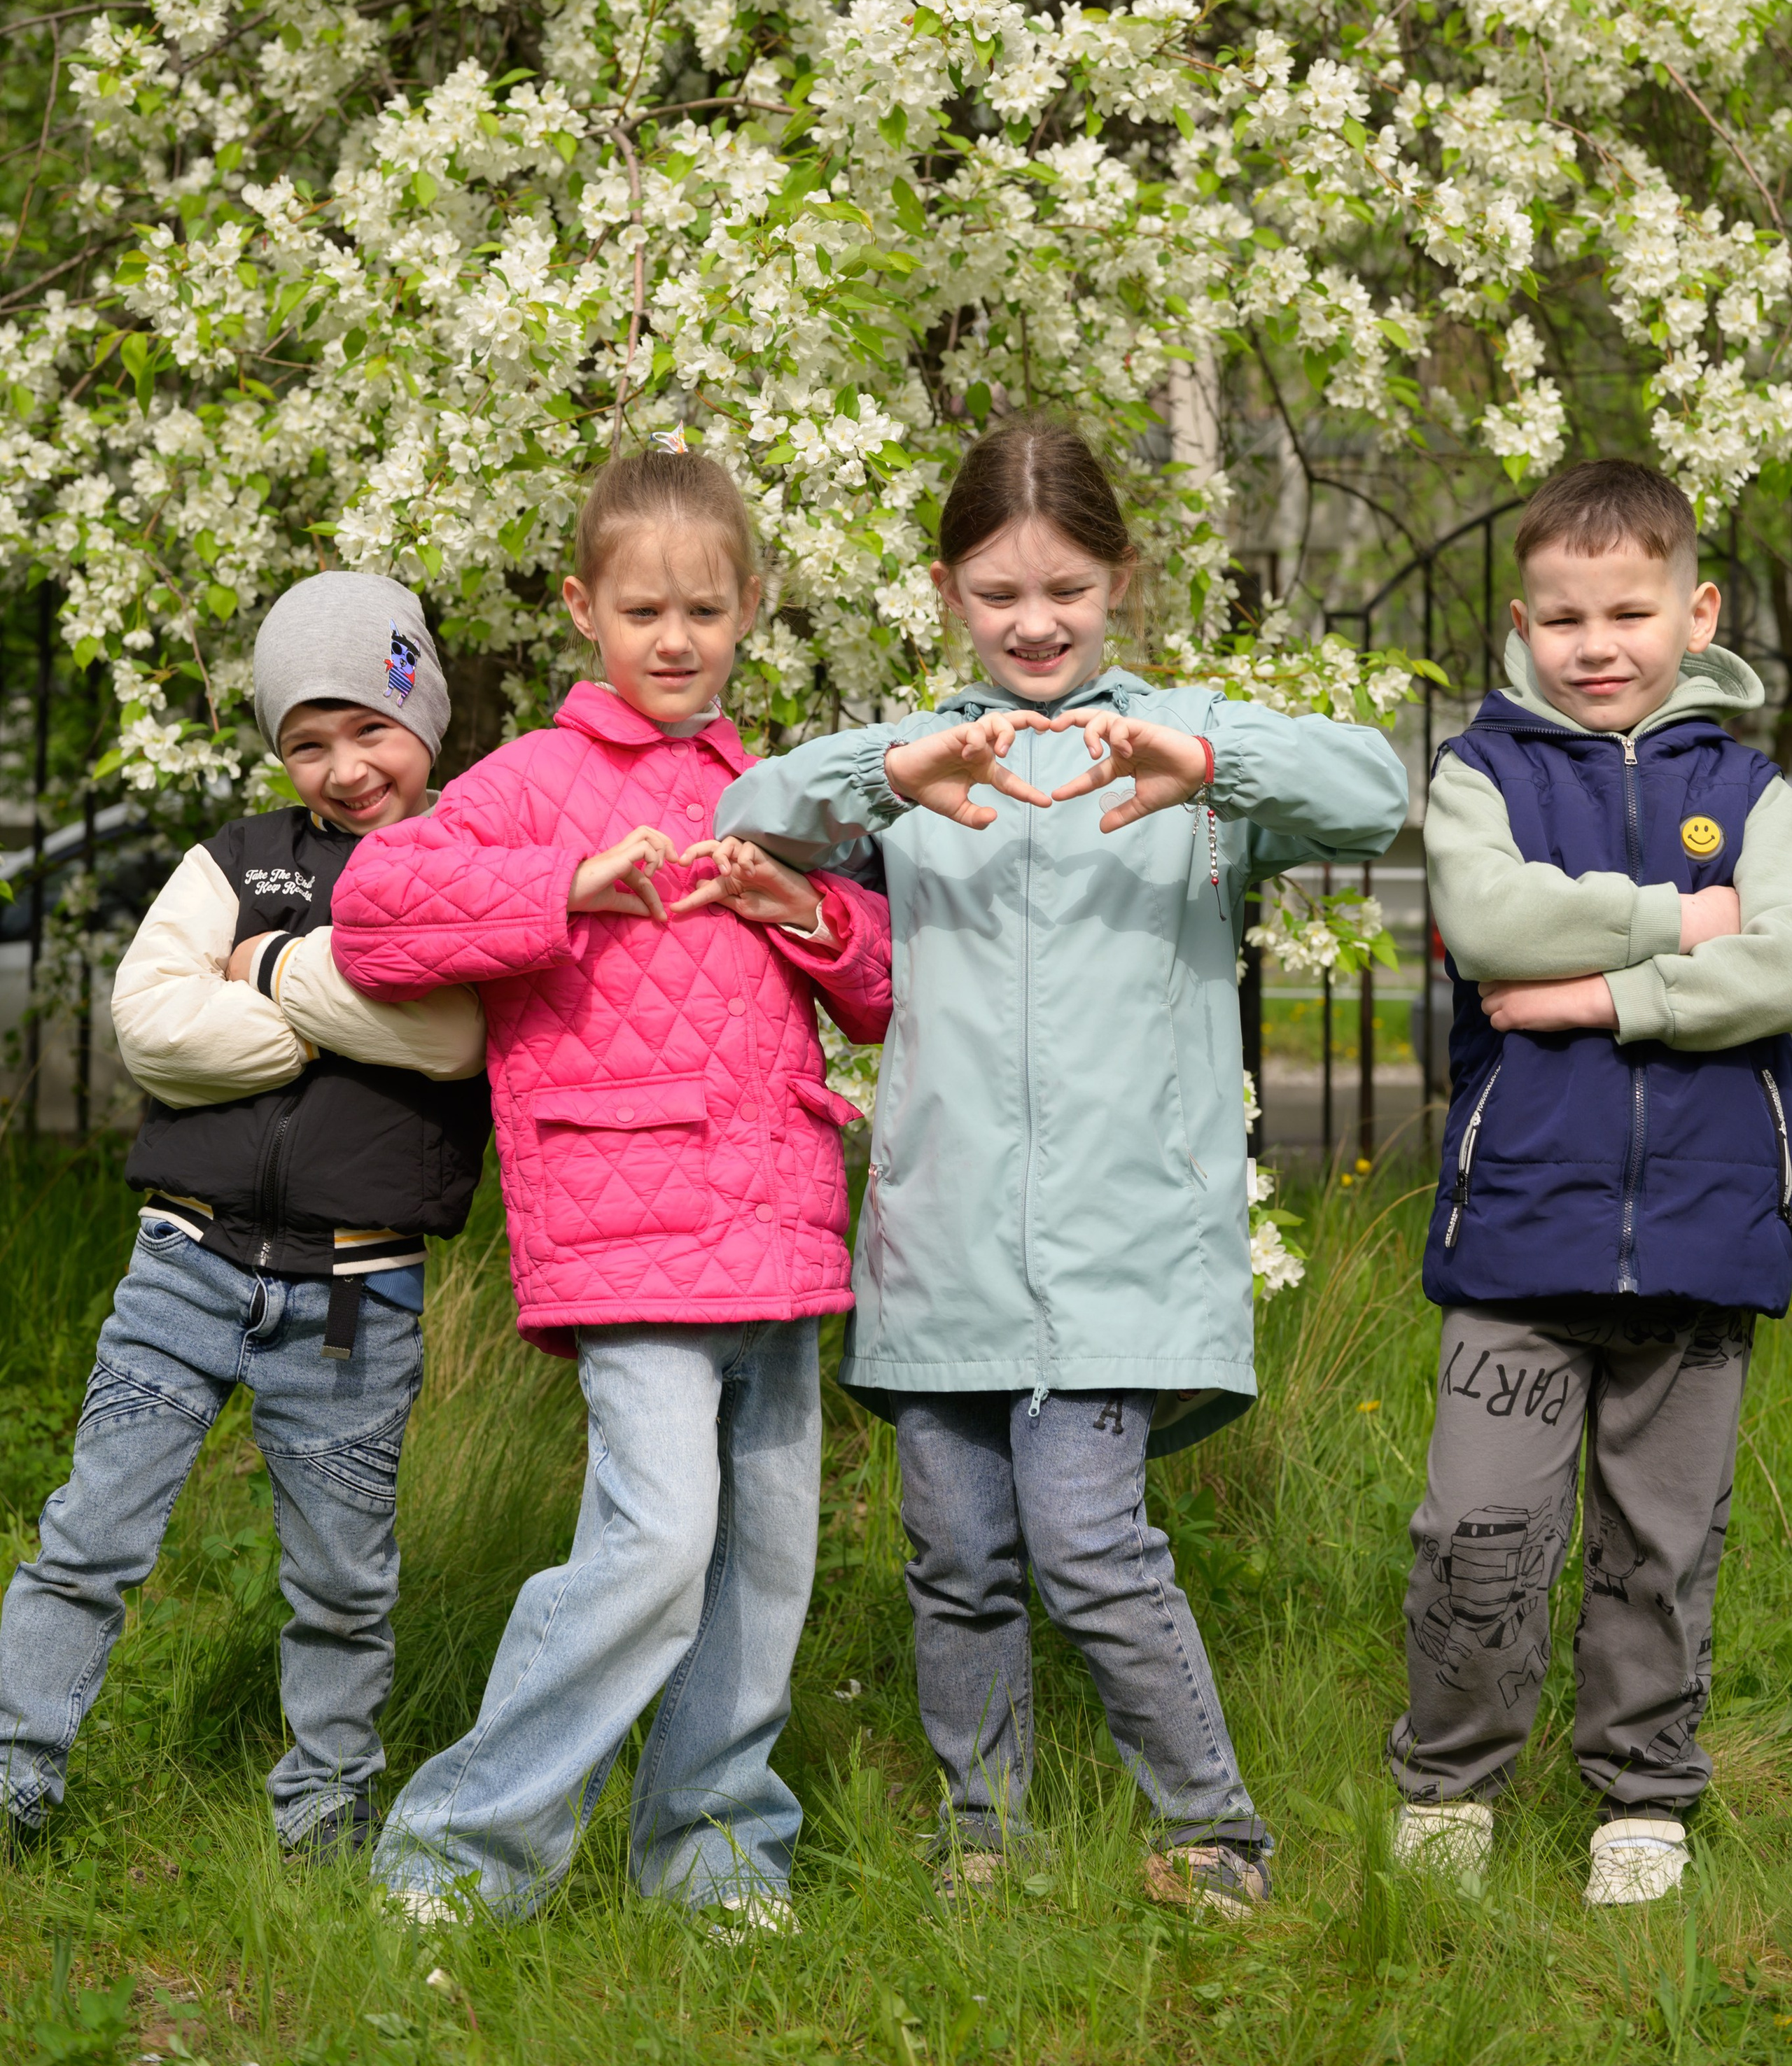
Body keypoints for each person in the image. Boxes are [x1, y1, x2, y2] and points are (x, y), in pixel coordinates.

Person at [713, 418, 1409, 1913]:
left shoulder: (1183, 752)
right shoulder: (917, 770)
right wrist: (894, 768)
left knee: (1090, 1541)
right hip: (941, 1241)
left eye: (1068, 589)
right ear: (948, 590)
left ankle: (1215, 1833)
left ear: (1121, 581)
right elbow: (743, 814)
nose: (1034, 621)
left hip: (1122, 1245)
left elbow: (1373, 792)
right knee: (956, 1557)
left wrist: (1209, 757)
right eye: (996, 590)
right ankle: (987, 1837)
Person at [330, 445, 892, 1930]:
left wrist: (814, 912)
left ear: (750, 606)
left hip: (774, 1217)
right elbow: (374, 912)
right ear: (584, 607)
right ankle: (455, 1850)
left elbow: (891, 990)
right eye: (642, 607)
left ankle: (711, 1858)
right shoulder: (531, 782)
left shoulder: (778, 791)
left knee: (764, 1565)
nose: (673, 637)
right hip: (626, 1222)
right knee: (653, 1547)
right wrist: (561, 885)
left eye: (704, 608)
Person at [0, 573, 491, 1862]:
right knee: (90, 1535)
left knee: (340, 1578)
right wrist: (334, 1032)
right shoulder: (234, 858)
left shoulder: (468, 868)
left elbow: (449, 1035)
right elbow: (152, 1025)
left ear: (422, 717)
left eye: (369, 730)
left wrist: (266, 971)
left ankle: (324, 1815)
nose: (343, 768)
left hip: (353, 1292)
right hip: (184, 1259)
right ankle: (12, 1774)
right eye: (306, 742)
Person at [1388, 458, 1792, 1910]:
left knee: (1659, 1542)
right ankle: (1448, 1779)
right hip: (1517, 1239)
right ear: (1519, 622)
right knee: (1476, 1531)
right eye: (1564, 617)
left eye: (1629, 610)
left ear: (1697, 612)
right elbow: (1486, 916)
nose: (1597, 643)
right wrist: (1675, 922)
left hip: (1700, 1239)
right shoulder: (1479, 773)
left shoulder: (1752, 791)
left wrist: (1590, 999)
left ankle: (1641, 1789)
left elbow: (1783, 965)